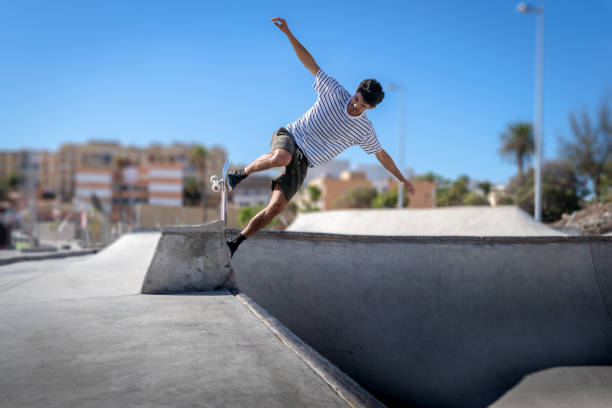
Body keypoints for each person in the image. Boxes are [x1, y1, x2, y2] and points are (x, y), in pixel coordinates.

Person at [226, 17, 415, 256]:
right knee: (282, 157)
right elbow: (309, 63)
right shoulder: (334, 91)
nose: (356, 106)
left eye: (363, 106)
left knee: (277, 207)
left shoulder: (364, 129)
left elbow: (381, 154)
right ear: (355, 90)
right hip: (291, 136)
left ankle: (234, 244)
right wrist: (288, 33)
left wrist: (402, 179)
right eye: (357, 99)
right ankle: (238, 175)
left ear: (371, 109)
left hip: (305, 161)